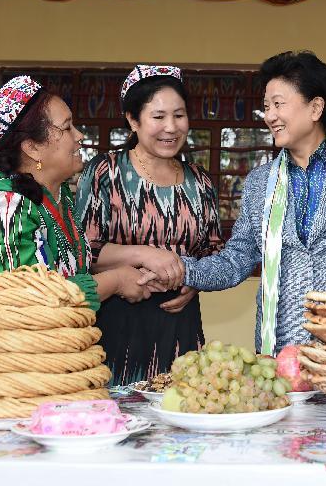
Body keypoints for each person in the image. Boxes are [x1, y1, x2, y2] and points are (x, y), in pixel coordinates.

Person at [152, 51, 326, 355]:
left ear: (315, 107)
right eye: (266, 107)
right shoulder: (260, 182)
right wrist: (181, 270)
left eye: (278, 104)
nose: (270, 116)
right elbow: (236, 260)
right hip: (282, 350)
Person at [0, 76, 153, 373]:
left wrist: (140, 268)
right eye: (67, 127)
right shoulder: (3, 208)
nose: (79, 136)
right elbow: (35, 304)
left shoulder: (59, 199)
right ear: (32, 147)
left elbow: (64, 273)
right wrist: (117, 281)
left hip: (36, 369)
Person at [76, 65, 222, 384]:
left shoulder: (200, 181)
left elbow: (213, 252)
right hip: (114, 320)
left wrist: (194, 280)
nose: (171, 127)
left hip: (178, 322)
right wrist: (145, 254)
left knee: (180, 410)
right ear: (132, 120)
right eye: (158, 116)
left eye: (179, 115)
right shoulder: (105, 172)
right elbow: (82, 252)